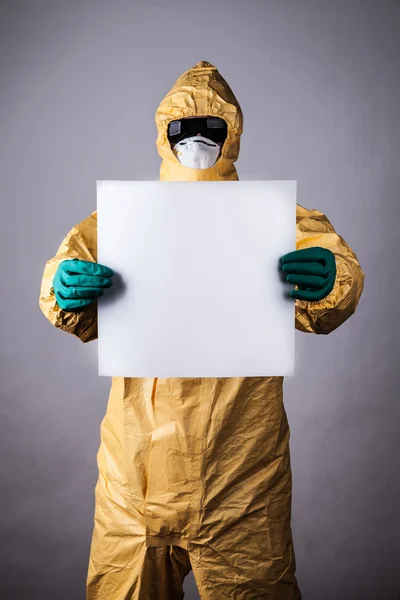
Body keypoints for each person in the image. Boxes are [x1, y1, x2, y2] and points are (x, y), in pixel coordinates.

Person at [39, 61, 364, 600]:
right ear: (163, 137)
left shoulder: (275, 221)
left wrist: (333, 282)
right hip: (133, 475)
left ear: (232, 135)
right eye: (182, 129)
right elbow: (62, 282)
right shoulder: (121, 223)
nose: (195, 140)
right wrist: (63, 287)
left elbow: (336, 284)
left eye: (211, 129)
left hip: (241, 478)